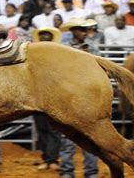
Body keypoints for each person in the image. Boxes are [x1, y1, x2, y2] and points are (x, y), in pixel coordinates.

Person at [59, 18, 100, 178]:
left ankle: (90, 172)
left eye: (86, 29)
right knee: (68, 139)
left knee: (91, 138)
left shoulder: (93, 49)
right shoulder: (63, 51)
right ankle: (67, 171)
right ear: (73, 30)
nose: (85, 32)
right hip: (67, 98)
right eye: (81, 29)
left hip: (88, 97)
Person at [31, 27, 61, 170]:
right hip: (37, 97)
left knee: (54, 130)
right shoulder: (33, 55)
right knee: (42, 129)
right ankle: (47, 158)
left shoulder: (57, 55)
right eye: (42, 35)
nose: (44, 37)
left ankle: (53, 159)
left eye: (47, 35)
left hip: (53, 97)